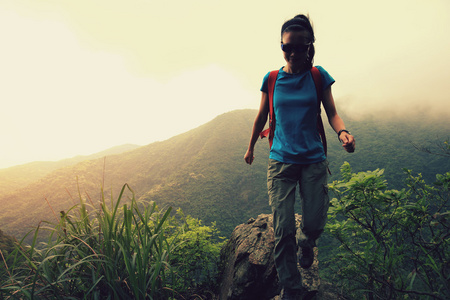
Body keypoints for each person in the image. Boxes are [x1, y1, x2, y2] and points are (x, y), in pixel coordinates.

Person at [244, 14, 355, 299]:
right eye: (286, 47)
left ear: (310, 46)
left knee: (315, 223)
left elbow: (331, 112)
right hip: (281, 161)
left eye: (299, 47)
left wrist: (342, 132)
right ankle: (291, 288)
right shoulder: (271, 79)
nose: (292, 52)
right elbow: (261, 116)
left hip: (313, 160)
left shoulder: (318, 77)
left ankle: (307, 242)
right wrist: (251, 146)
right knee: (282, 230)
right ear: (281, 45)